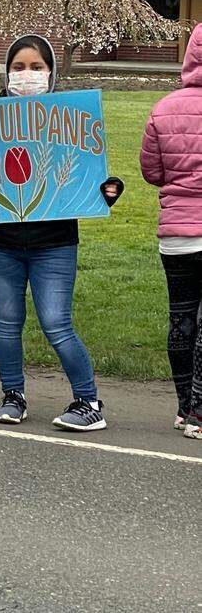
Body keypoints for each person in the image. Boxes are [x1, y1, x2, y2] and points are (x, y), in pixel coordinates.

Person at [0, 35, 124, 432]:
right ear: (6, 71)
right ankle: (12, 395)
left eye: (36, 67)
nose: (27, 75)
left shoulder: (69, 117)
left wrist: (103, 193)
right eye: (18, 67)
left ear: (52, 72)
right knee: (6, 322)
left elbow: (82, 174)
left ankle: (88, 400)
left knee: (56, 322)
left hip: (55, 243)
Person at [140, 23, 202, 439]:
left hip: (177, 235)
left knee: (181, 320)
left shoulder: (163, 108)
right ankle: (199, 412)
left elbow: (151, 171)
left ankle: (183, 407)